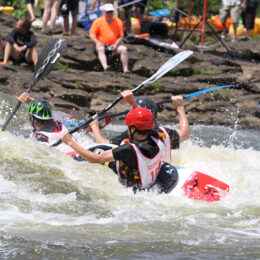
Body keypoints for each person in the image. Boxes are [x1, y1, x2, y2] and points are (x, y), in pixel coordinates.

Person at [61, 106, 166, 192]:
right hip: (149, 182)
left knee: (96, 157)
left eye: (128, 127)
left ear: (133, 129)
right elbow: (145, 120)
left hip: (133, 190)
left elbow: (96, 159)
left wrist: (70, 142)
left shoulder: (128, 150)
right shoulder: (157, 137)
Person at [89, 90, 190, 164]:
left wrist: (94, 127)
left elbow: (102, 144)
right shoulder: (165, 133)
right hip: (162, 176)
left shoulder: (132, 135)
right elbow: (185, 134)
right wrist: (180, 107)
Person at [89, 3, 129, 73]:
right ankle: (105, 67)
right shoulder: (97, 21)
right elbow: (92, 34)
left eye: (111, 12)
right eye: (107, 12)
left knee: (124, 49)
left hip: (114, 46)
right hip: (102, 45)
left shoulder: (118, 21)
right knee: (100, 48)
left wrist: (116, 44)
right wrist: (97, 43)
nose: (109, 14)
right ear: (104, 12)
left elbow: (121, 36)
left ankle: (125, 69)